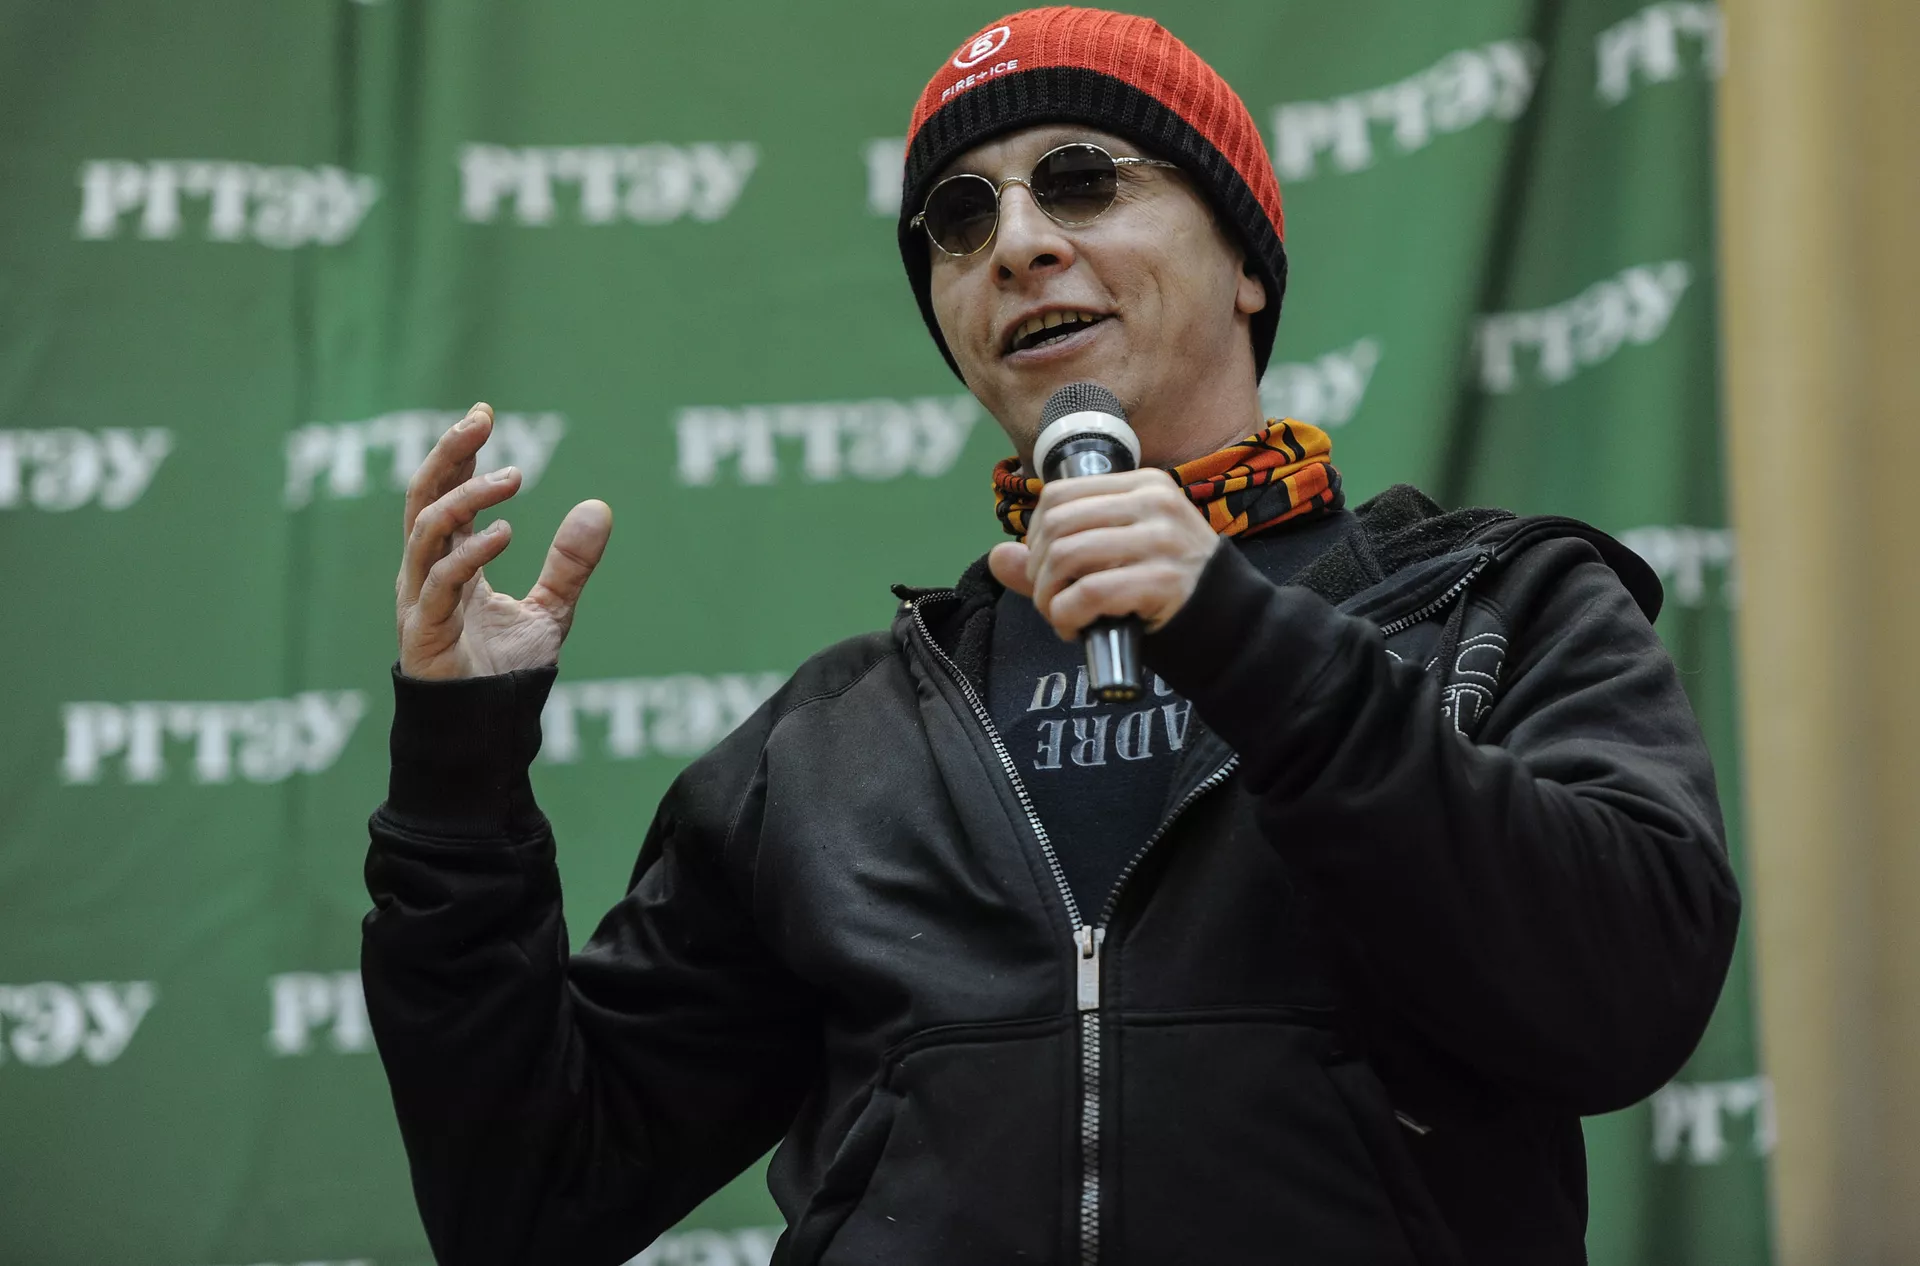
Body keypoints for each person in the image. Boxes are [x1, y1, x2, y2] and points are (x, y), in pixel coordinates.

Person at [362, 9, 1740, 1265]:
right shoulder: (832, 743)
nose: (1016, 243)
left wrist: (1248, 642)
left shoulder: (1497, 610)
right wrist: (457, 771)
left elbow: (1626, 997)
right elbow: (530, 1199)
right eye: (959, 219)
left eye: (1081, 180)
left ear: (1246, 264)